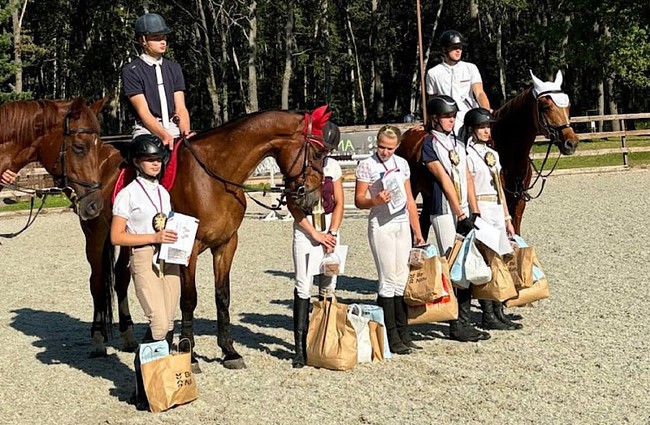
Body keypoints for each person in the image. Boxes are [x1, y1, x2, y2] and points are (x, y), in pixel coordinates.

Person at [110, 134, 180, 410]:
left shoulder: (164, 192)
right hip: (143, 256)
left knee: (170, 323)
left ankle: (162, 382)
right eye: (149, 160)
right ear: (137, 162)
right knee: (158, 323)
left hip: (168, 258)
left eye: (158, 159)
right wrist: (153, 238)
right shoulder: (127, 195)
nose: (155, 164)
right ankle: (140, 386)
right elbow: (117, 237)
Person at [420, 95, 489, 342]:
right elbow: (444, 179)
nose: (451, 120)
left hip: (463, 209)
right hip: (444, 210)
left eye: (453, 116)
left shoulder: (459, 143)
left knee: (467, 264)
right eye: (447, 116)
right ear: (436, 119)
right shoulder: (430, 144)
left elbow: (467, 176)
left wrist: (474, 208)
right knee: (454, 262)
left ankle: (464, 321)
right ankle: (455, 324)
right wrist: (460, 213)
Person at [355, 125, 425, 355]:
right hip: (381, 224)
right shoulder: (367, 165)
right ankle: (391, 335)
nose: (385, 152)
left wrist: (418, 231)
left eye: (390, 148)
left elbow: (410, 200)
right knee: (386, 279)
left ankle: (404, 331)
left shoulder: (402, 164)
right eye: (382, 147)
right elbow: (358, 199)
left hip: (402, 223)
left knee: (401, 279)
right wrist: (375, 200)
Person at [287, 125, 343, 368]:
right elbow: (293, 205)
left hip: (329, 226)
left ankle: (322, 339)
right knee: (303, 284)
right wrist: (315, 234)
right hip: (307, 227)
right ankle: (300, 348)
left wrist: (332, 232)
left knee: (329, 283)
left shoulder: (333, 167)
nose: (325, 154)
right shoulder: (300, 164)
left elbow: (340, 202)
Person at [463, 107, 523, 331]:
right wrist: (475, 212)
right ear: (472, 130)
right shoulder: (467, 155)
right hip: (481, 206)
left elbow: (499, 187)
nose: (487, 131)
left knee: (501, 259)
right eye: (482, 127)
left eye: (488, 127)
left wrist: (507, 216)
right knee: (487, 260)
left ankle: (499, 309)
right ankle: (487, 312)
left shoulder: (493, 154)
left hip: (496, 207)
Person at [122, 13, 191, 148]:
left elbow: (181, 108)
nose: (163, 41)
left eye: (164, 37)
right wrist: (164, 136)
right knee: (151, 155)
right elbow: (143, 112)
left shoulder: (174, 68)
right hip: (147, 130)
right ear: (143, 40)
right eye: (156, 38)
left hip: (174, 127)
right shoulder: (131, 70)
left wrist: (185, 134)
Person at [426, 29, 491, 134]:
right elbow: (432, 100)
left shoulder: (470, 68)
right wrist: (429, 121)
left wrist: (486, 113)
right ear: (444, 49)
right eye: (454, 48)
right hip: (446, 119)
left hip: (469, 116)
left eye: (460, 48)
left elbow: (479, 93)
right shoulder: (433, 73)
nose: (458, 51)